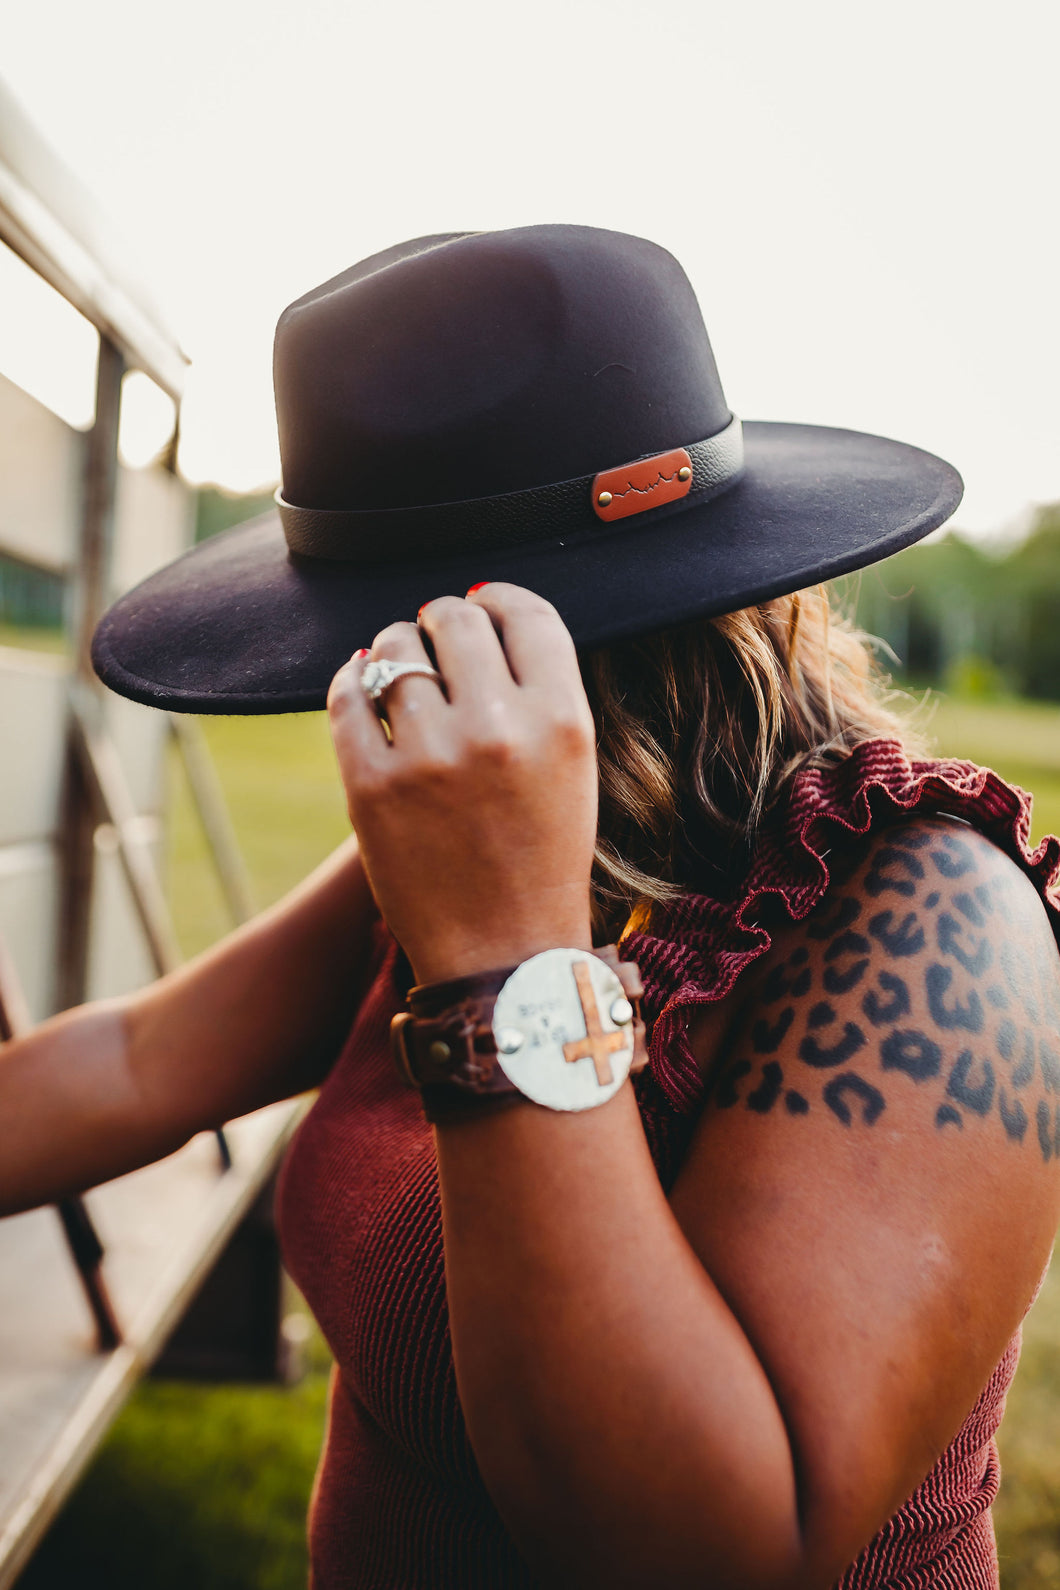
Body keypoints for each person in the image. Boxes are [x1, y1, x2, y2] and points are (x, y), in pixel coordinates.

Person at [8, 225, 1060, 1588]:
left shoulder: (929, 917)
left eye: (382, 638)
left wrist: (504, 959)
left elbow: (709, 1552)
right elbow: (144, 1059)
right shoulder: (483, 837)